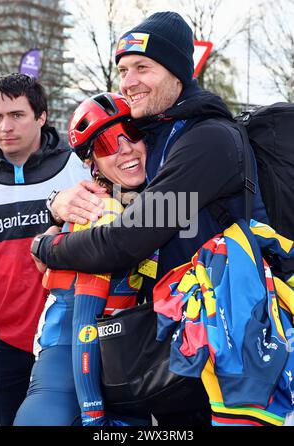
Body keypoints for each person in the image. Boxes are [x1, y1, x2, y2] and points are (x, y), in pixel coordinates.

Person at [31, 12, 268, 425]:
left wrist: (45, 247)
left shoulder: (207, 141)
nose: (129, 81)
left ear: (179, 71)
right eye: (123, 69)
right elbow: (109, 188)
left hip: (226, 352)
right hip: (180, 348)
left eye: (143, 67)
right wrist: (55, 206)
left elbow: (125, 240)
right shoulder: (160, 134)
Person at [14, 92, 148, 426]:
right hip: (72, 357)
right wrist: (93, 414)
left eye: (131, 132)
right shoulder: (99, 210)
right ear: (92, 164)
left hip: (119, 357)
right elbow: (83, 325)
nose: (125, 148)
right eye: (104, 144)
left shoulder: (149, 203)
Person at [0, 73, 91, 426]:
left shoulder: (77, 169)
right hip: (1, 345)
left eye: (17, 115)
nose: (5, 126)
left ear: (41, 117)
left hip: (63, 340)